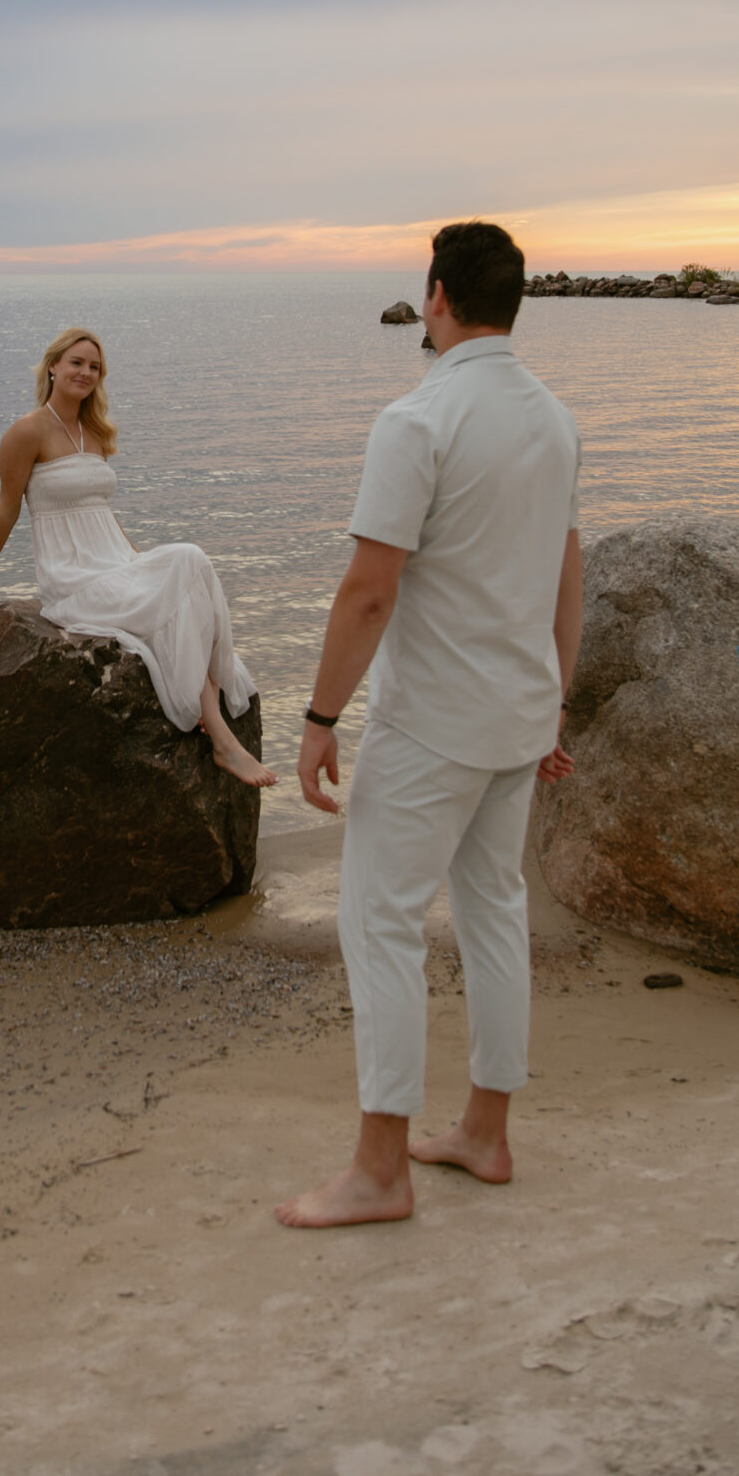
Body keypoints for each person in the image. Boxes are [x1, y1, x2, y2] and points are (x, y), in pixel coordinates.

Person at [276, 220, 582, 1228]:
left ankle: (379, 1169)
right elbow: (566, 568)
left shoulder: (418, 420)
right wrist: (557, 696)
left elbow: (368, 590)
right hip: (517, 711)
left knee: (382, 920)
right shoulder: (553, 419)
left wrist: (320, 715)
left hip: (435, 722)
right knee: (494, 910)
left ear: (437, 295)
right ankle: (485, 1133)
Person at [0, 326, 276, 789]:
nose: (85, 372)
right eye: (76, 362)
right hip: (73, 577)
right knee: (186, 569)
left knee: (189, 563)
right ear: (53, 366)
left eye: (94, 367)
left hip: (114, 560)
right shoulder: (26, 431)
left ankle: (213, 719)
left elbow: (100, 512)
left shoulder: (94, 432)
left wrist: (141, 564)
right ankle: (219, 737)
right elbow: (7, 509)